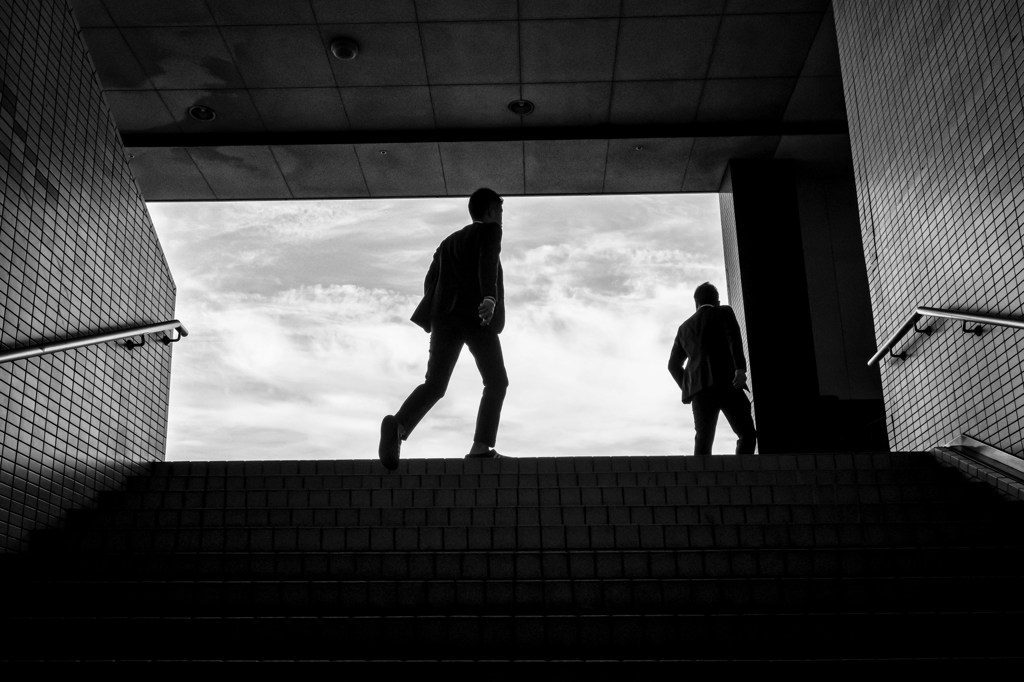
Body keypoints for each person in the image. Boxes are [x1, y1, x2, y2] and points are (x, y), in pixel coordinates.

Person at [378, 187, 509, 471]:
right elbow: (487, 262)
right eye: (499, 211)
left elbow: (430, 282)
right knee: (496, 381)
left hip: (445, 321)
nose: (501, 217)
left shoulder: (447, 242)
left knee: (435, 385)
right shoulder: (490, 232)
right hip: (478, 318)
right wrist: (489, 298)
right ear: (488, 211)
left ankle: (399, 424)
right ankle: (481, 447)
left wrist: (439, 313)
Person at [668, 282, 756, 455]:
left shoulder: (684, 328)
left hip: (700, 392)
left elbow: (673, 365)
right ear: (717, 300)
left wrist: (690, 386)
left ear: (696, 303)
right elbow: (733, 339)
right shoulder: (724, 312)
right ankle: (741, 473)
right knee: (747, 434)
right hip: (727, 384)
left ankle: (702, 480)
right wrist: (739, 369)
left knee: (703, 441)